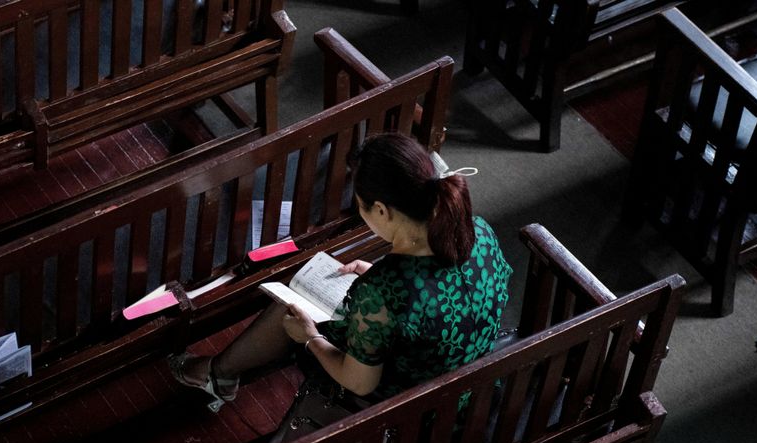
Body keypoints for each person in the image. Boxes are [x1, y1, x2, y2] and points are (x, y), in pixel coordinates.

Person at [169, 132, 512, 414]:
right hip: (466, 385)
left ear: (381, 209)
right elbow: (437, 292)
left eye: (361, 205)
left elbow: (360, 382)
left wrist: (310, 338)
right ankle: (219, 373)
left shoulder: (382, 291)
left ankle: (218, 373)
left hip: (410, 411)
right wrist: (377, 277)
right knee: (310, 295)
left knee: (296, 301)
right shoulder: (478, 230)